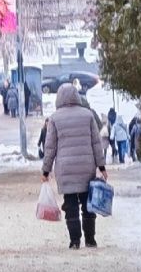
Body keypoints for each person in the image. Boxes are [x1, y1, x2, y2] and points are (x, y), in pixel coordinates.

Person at [42, 84, 107, 249]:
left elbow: (50, 148)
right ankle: (90, 239)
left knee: (70, 205)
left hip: (66, 169)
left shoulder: (55, 118)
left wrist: (46, 170)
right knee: (87, 204)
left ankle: (75, 241)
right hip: (86, 167)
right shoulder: (88, 115)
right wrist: (101, 166)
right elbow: (96, 144)